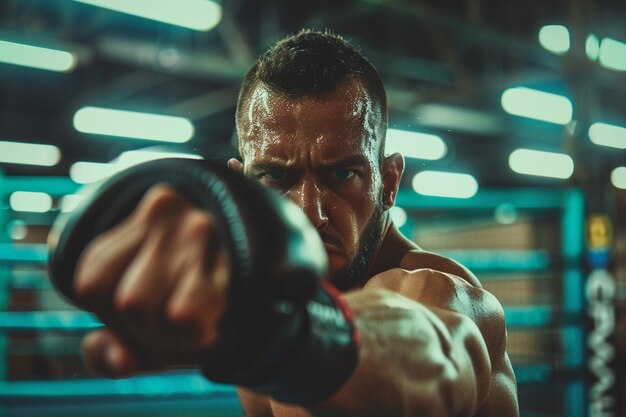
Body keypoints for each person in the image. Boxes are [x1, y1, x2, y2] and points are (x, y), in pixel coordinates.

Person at [72, 29, 519, 416]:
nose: (309, 213)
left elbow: (435, 361)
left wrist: (291, 341)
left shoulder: (441, 294)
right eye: (276, 176)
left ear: (389, 181)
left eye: (342, 174)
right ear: (242, 187)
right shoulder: (271, 301)